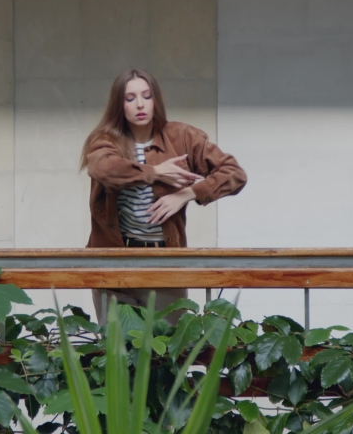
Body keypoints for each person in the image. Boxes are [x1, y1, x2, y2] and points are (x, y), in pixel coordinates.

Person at [79, 68, 247, 324]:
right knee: (117, 356)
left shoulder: (182, 137)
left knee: (171, 354)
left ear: (155, 99)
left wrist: (188, 194)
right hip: (114, 263)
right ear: (118, 104)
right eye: (130, 98)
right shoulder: (105, 141)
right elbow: (102, 168)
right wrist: (154, 172)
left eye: (146, 96)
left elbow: (235, 173)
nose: (140, 104)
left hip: (165, 261)